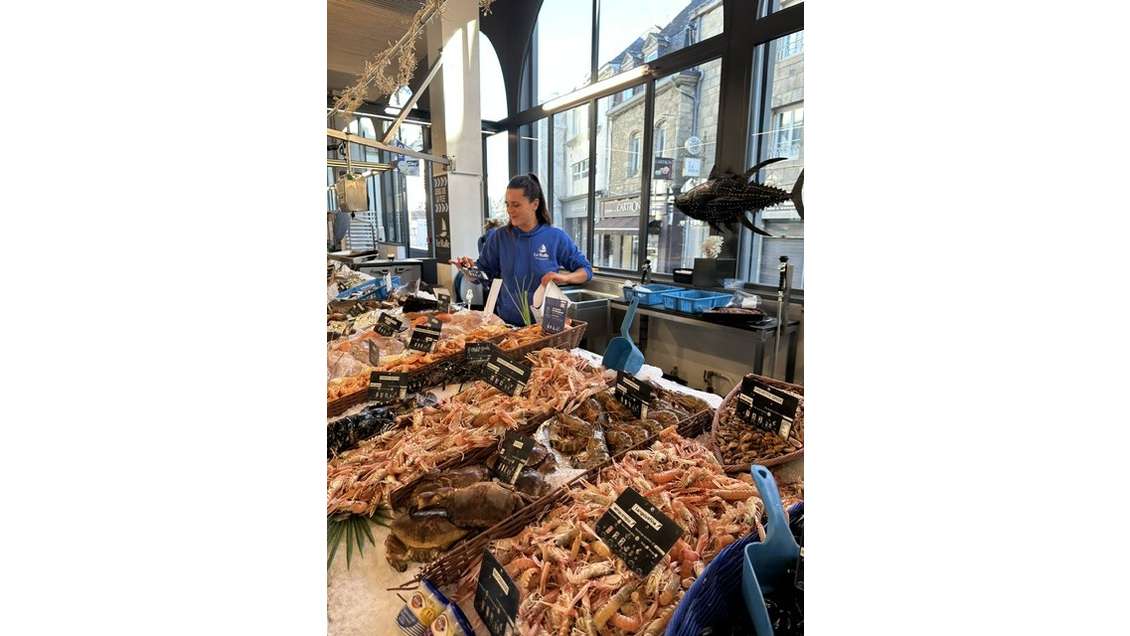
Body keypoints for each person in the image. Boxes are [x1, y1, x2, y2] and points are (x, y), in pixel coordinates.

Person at [452, 173, 592, 325]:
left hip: (545, 327)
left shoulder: (556, 237)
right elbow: (482, 277)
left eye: (516, 205)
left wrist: (565, 278)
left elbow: (586, 271)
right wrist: (468, 271)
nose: (510, 210)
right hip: (507, 324)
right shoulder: (499, 237)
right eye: (507, 204)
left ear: (535, 204)